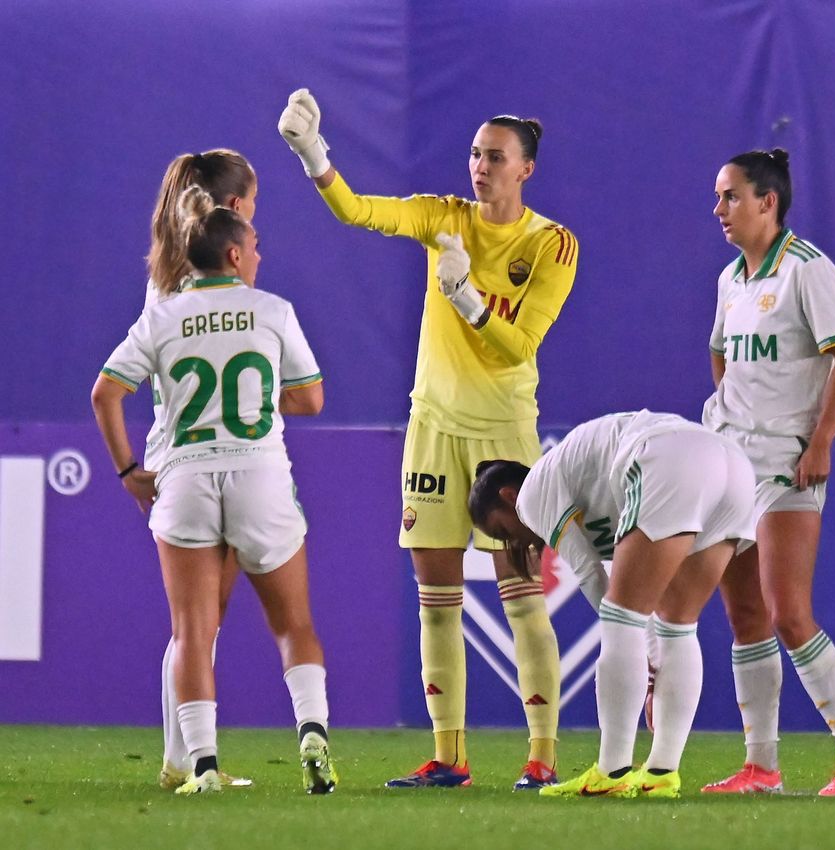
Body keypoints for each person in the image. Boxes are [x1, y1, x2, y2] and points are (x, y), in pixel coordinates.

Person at [278, 89, 578, 790]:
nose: (479, 167)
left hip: (504, 431)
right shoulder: (443, 218)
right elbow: (357, 209)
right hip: (432, 429)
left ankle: (541, 757)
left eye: (495, 158)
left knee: (521, 592)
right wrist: (313, 154)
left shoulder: (550, 244)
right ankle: (450, 757)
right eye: (475, 154)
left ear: (525, 169)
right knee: (435, 596)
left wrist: (467, 297)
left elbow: (518, 345)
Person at [91, 186, 337, 795]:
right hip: (258, 473)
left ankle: (200, 765)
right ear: (232, 255)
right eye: (252, 245)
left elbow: (105, 393)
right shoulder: (273, 310)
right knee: (294, 624)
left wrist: (128, 472)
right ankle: (313, 733)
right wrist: (256, 403)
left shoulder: (161, 315)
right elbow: (310, 398)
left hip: (187, 476)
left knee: (192, 631)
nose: (259, 253)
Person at [698, 149, 835, 797]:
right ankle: (761, 767)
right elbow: (720, 354)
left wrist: (819, 440)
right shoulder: (731, 279)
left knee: (789, 613)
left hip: (787, 464)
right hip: (731, 463)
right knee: (745, 615)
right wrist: (729, 416)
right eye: (719, 197)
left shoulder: (808, 271)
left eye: (729, 196)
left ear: (766, 201)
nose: (718, 209)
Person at [468, 410, 755, 798]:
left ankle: (611, 772)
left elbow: (590, 574)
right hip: (733, 467)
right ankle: (660, 773)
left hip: (669, 455)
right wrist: (649, 654)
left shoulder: (532, 494)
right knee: (678, 624)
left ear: (508, 496)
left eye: (503, 530)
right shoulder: (573, 482)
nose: (515, 542)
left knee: (621, 618)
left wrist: (643, 653)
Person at [145, 149, 259, 791]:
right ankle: (184, 759)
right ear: (236, 208)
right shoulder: (213, 278)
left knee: (195, 622)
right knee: (200, 621)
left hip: (174, 455)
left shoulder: (171, 269)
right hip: (212, 456)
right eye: (253, 207)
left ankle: (179, 757)